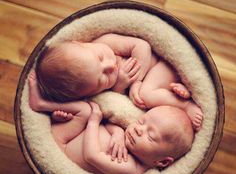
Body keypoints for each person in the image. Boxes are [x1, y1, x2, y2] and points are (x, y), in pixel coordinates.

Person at [28, 73, 194, 174]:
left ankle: (44, 105)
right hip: (75, 132)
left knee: (86, 111)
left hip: (63, 145)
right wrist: (118, 133)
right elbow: (108, 126)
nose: (138, 129)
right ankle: (47, 105)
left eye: (150, 136)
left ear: (163, 161)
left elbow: (91, 156)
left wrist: (93, 122)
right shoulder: (131, 143)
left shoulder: (130, 169)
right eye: (141, 122)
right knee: (85, 110)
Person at [36, 33, 203, 131]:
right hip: (160, 88)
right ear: (90, 92)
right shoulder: (98, 93)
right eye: (102, 79)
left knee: (146, 94)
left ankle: (186, 106)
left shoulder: (105, 42)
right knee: (156, 116)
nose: (110, 66)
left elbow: (142, 46)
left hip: (160, 68)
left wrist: (136, 81)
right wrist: (120, 86)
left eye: (100, 58)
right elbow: (116, 100)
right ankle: (176, 93)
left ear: (81, 43)